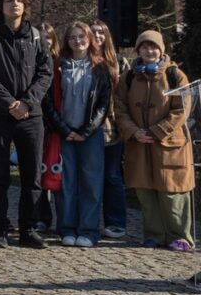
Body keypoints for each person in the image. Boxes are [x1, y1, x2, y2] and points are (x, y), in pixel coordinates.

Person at [0, 0, 52, 249]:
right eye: (9, 0)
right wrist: (10, 104)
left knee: (32, 177)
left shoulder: (37, 37)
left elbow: (45, 73)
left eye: (18, 0)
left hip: (31, 116)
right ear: (0, 6)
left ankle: (28, 229)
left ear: (25, 5)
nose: (14, 4)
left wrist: (27, 102)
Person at [114, 30, 195, 251]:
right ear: (138, 50)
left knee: (172, 191)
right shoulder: (128, 77)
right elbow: (119, 108)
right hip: (139, 144)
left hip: (170, 144)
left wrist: (157, 130)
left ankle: (180, 236)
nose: (149, 51)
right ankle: (154, 235)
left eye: (154, 47)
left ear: (161, 50)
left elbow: (182, 109)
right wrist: (133, 131)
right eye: (144, 47)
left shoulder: (175, 75)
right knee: (145, 191)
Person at [42, 22, 112, 247]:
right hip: (65, 134)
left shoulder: (100, 67)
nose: (77, 41)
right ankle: (67, 228)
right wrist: (65, 130)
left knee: (91, 184)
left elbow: (103, 104)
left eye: (81, 36)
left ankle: (89, 230)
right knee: (67, 184)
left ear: (89, 38)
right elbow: (49, 102)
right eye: (72, 37)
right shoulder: (58, 66)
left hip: (90, 135)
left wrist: (86, 131)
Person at [90, 20, 128, 239]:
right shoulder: (83, 60)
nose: (97, 36)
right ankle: (89, 221)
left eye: (101, 32)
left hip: (112, 127)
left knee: (112, 176)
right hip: (87, 126)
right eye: (93, 32)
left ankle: (115, 222)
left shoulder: (120, 62)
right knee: (90, 176)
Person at [32, 22, 63, 232]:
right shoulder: (30, 62)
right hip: (37, 122)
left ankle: (64, 219)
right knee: (38, 173)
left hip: (59, 125)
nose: (45, 41)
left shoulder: (61, 64)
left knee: (58, 172)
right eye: (41, 37)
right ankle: (42, 217)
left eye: (48, 37)